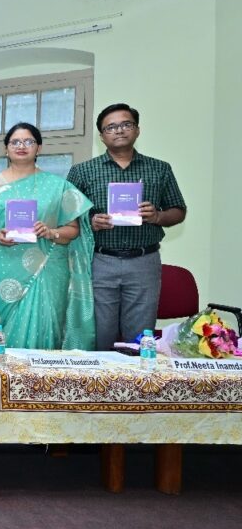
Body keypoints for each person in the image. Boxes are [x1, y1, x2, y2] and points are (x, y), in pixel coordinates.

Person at [67, 103, 186, 350]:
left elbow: (178, 211)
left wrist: (157, 216)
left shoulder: (159, 169)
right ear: (102, 136)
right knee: (101, 334)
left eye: (126, 124)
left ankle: (137, 387)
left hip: (144, 261)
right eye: (111, 127)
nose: (119, 130)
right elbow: (67, 216)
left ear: (137, 130)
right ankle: (100, 387)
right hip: (100, 261)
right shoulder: (82, 171)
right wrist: (90, 222)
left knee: (140, 338)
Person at [0, 123, 95, 350]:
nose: (21, 146)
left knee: (45, 327)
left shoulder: (58, 186)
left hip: (45, 270)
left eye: (28, 141)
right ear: (6, 149)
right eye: (15, 142)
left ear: (39, 148)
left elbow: (73, 230)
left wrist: (51, 232)